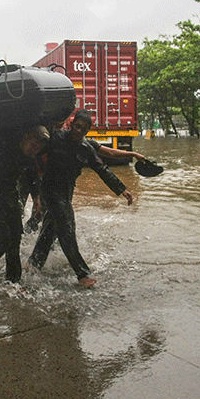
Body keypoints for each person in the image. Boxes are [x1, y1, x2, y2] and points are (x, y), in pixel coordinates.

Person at [27, 109, 134, 288]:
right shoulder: (56, 138)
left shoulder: (86, 149)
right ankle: (82, 274)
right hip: (49, 190)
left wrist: (122, 189)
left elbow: (102, 169)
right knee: (67, 228)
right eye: (77, 127)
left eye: (83, 129)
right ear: (71, 124)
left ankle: (33, 264)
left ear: (87, 131)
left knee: (51, 228)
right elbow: (33, 155)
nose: (79, 131)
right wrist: (34, 189)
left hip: (66, 192)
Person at [0, 126, 48, 284]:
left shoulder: (28, 156)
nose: (35, 149)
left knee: (16, 236)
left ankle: (13, 281)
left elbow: (33, 176)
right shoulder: (4, 141)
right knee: (3, 237)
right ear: (25, 137)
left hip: (9, 195)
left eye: (38, 148)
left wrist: (37, 199)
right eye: (33, 145)